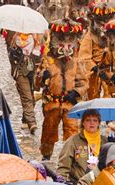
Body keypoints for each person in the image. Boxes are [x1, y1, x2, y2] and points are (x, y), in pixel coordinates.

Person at [37, 18, 87, 161]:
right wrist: (42, 76)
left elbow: (83, 82)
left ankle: (79, 160)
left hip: (70, 105)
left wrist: (76, 93)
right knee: (48, 130)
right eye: (61, 43)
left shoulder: (76, 61)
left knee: (74, 132)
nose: (65, 47)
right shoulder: (47, 60)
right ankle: (46, 156)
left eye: (69, 43)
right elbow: (37, 83)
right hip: (52, 103)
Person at [77, 0, 115, 99]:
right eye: (101, 23)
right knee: (92, 100)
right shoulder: (89, 36)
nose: (104, 26)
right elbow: (84, 58)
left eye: (107, 22)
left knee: (112, 99)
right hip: (94, 75)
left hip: (111, 74)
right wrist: (97, 70)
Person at [57, 109, 108, 185]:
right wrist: (60, 182)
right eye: (88, 120)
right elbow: (64, 165)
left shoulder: (105, 141)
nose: (92, 123)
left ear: (99, 123)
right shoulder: (73, 141)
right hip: (80, 184)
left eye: (95, 120)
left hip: (101, 184)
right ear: (83, 123)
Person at [6, 31, 42, 134]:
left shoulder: (36, 39)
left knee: (32, 95)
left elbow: (41, 57)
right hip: (20, 72)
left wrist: (36, 45)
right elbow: (12, 58)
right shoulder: (15, 40)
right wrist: (20, 53)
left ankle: (25, 119)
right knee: (27, 96)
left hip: (33, 72)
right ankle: (32, 123)